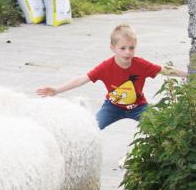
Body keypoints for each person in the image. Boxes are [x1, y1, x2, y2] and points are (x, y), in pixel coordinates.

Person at [36, 23, 188, 129]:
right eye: (123, 48)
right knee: (92, 128)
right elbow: (82, 79)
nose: (128, 52)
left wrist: (189, 75)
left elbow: (164, 70)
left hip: (139, 107)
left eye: (131, 48)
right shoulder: (106, 66)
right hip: (112, 107)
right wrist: (56, 90)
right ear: (113, 48)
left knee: (160, 127)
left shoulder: (140, 64)